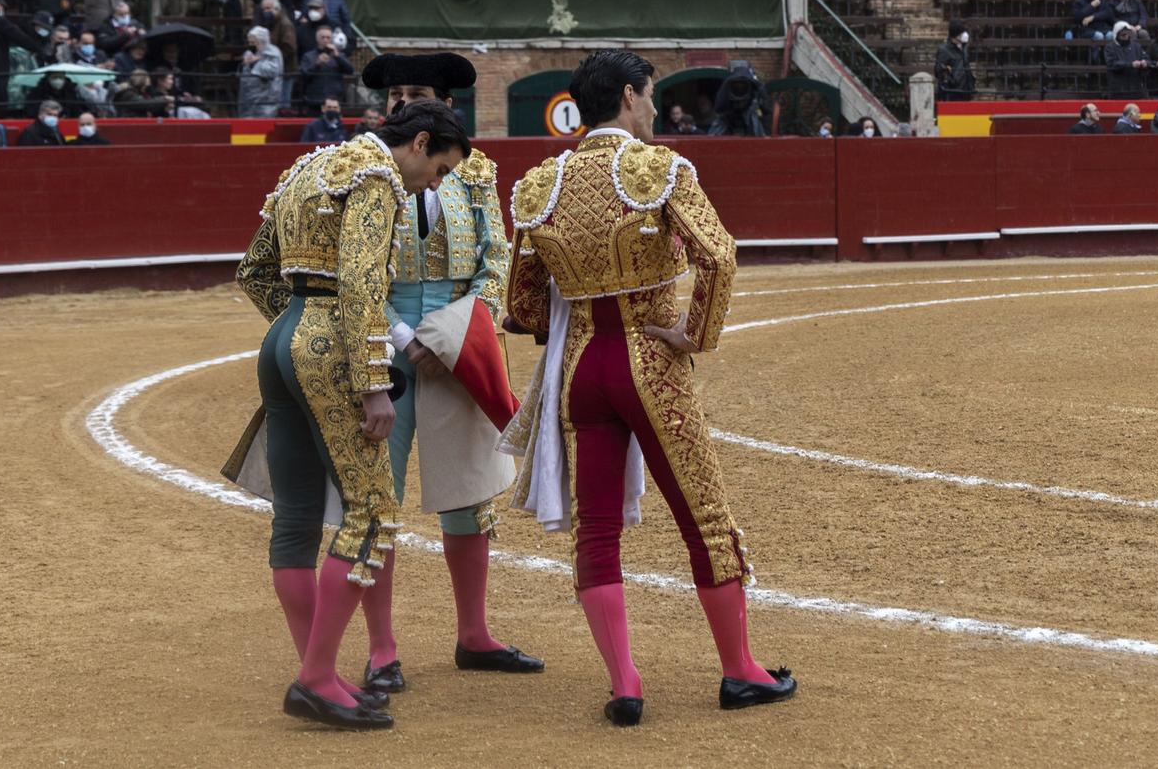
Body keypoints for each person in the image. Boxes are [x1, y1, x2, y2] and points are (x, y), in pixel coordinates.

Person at [502, 52, 795, 722]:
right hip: (650, 360)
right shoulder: (657, 169)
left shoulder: (540, 184)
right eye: (652, 95)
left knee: (597, 531)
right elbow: (718, 255)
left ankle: (626, 684)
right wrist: (695, 333)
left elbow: (520, 306)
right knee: (705, 518)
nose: (656, 108)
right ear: (629, 97)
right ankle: (740, 671)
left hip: (580, 369)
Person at [231, 100, 471, 730]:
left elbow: (253, 271)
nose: (436, 184)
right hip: (330, 347)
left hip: (281, 340)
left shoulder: (308, 167)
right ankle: (315, 677)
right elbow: (363, 288)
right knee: (370, 513)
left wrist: (295, 331)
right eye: (440, 168)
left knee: (297, 518)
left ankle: (323, 673)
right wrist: (371, 387)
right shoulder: (378, 179)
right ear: (419, 143)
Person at [344, 54, 541, 694]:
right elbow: (354, 272)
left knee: (470, 494)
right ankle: (381, 649)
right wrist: (406, 336)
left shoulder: (475, 171)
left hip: (461, 344)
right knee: (377, 495)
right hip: (382, 339)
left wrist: (452, 333)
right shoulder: (364, 169)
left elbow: (496, 262)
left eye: (416, 93)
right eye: (395, 94)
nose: (401, 104)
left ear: (444, 105)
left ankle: (474, 635)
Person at [237, 25, 284, 117]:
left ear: (261, 40)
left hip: (266, 98)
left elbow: (272, 71)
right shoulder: (255, 52)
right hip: (249, 97)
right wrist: (247, 63)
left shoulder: (273, 52)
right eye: (249, 42)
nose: (251, 45)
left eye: (253, 42)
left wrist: (255, 63)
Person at [935, 21, 974, 101]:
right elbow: (938, 71)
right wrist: (952, 81)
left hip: (967, 91)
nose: (965, 34)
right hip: (953, 93)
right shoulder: (944, 50)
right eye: (962, 33)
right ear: (956, 35)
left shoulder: (964, 48)